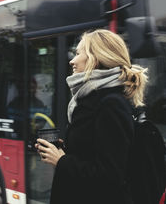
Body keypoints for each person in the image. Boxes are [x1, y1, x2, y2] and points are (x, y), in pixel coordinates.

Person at [35, 29, 148, 204]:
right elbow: (93, 152)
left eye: (78, 53)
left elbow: (110, 175)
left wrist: (61, 161)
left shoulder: (111, 104)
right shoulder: (93, 98)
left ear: (96, 58)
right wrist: (62, 150)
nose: (72, 60)